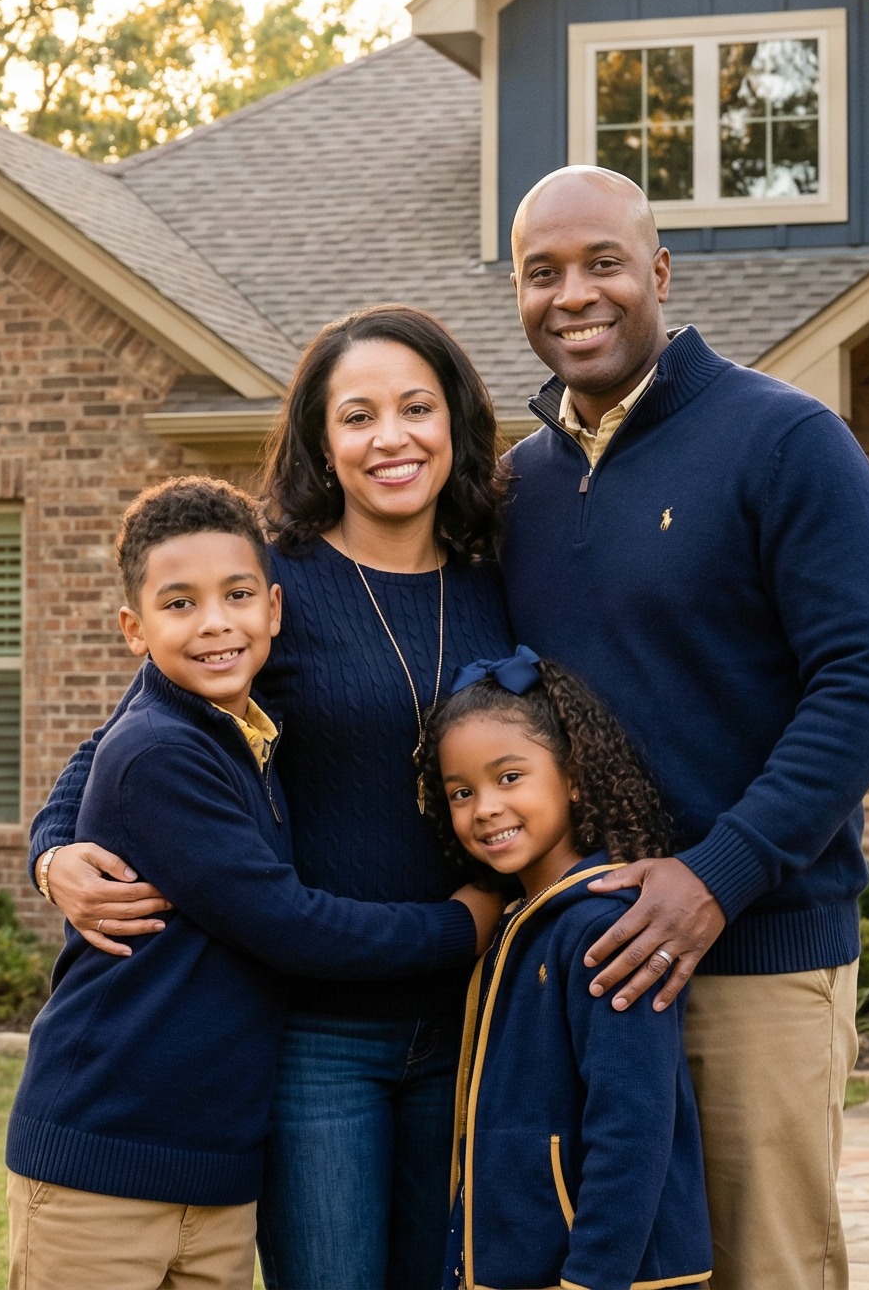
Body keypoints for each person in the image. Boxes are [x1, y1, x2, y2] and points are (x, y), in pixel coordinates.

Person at [28, 307, 516, 1290]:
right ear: (321, 441)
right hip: (318, 1033)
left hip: (473, 1019)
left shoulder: (499, 581)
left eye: (416, 408)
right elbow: (128, 727)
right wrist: (50, 849)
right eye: (357, 415)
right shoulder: (266, 580)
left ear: (455, 422)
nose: (391, 438)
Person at [500, 166, 869, 1290]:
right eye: (542, 272)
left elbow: (865, 685)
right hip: (574, 971)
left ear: (660, 273)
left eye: (602, 264)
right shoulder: (517, 489)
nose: (572, 294)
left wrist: (716, 875)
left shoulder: (785, 442)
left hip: (753, 962)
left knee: (761, 1269)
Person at [426, 646, 709, 1290]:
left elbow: (633, 1125)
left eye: (509, 777)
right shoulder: (519, 922)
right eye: (461, 792)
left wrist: (591, 1280)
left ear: (574, 776)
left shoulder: (610, 928)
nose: (485, 808)